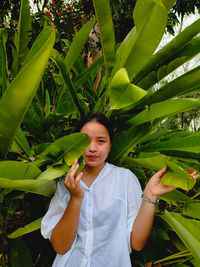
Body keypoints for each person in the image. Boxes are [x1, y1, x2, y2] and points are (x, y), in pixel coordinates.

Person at [41, 113, 198, 267]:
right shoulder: (66, 182)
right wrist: (75, 198)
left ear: (110, 145)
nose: (92, 148)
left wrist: (150, 194)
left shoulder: (125, 178)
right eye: (85, 141)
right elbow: (60, 247)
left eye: (101, 141)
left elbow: (136, 243)